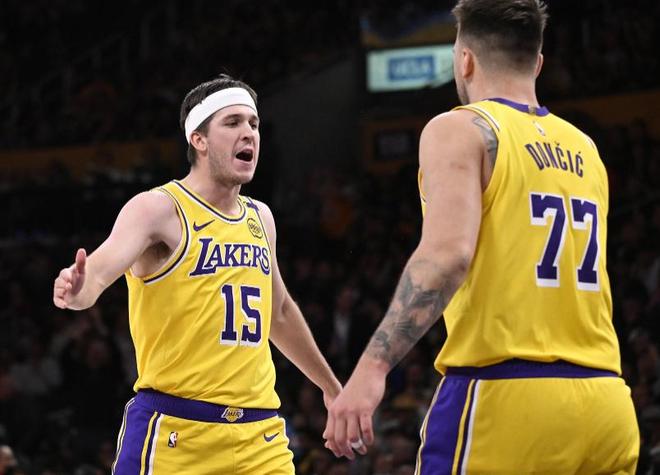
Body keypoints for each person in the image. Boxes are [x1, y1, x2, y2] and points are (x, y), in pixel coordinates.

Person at [323, 0, 640, 473]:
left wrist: (372, 367)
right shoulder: (586, 149)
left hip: (506, 396)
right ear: (537, 63)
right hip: (607, 402)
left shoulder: (461, 128)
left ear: (466, 59)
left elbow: (448, 255)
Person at [53, 74, 342, 474]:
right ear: (198, 140)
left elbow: (278, 314)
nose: (249, 133)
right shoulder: (158, 209)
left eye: (254, 124)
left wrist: (331, 387)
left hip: (259, 437)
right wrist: (77, 289)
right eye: (232, 122)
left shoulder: (261, 217)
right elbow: (98, 274)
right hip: (176, 433)